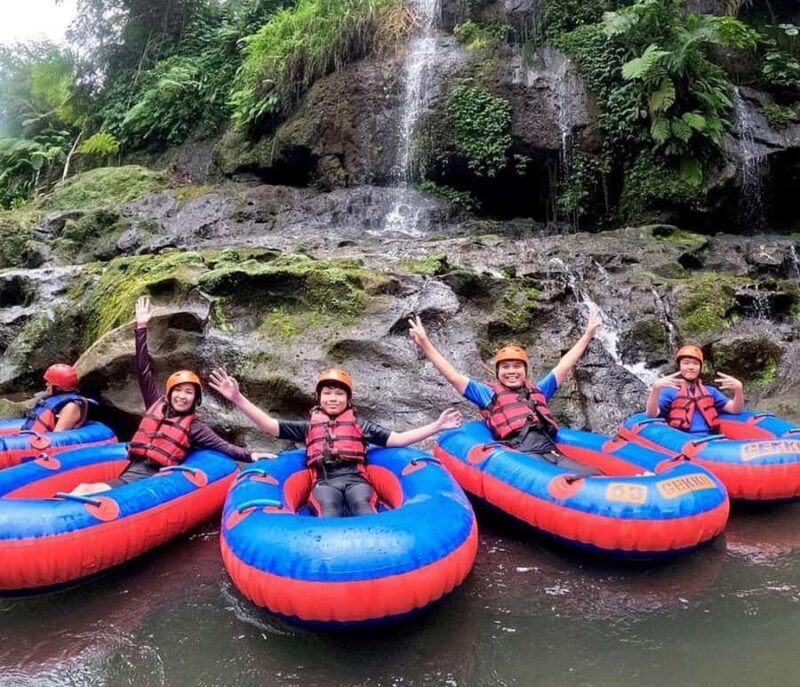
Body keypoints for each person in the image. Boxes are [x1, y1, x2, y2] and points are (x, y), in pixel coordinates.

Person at [71, 297, 271, 495]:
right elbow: (143, 370)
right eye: (178, 390)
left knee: (85, 489)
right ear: (170, 393)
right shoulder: (155, 404)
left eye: (189, 392)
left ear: (195, 399)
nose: (182, 396)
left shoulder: (195, 428)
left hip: (147, 477)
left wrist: (253, 455)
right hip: (133, 468)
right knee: (82, 488)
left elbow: (226, 447)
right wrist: (141, 327)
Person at [208, 367, 462, 517]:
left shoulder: (360, 426)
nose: (333, 398)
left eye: (339, 394)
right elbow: (269, 426)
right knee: (328, 507)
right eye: (327, 393)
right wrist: (238, 398)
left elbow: (398, 439)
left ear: (348, 400)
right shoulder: (308, 428)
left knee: (362, 504)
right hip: (324, 481)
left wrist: (437, 426)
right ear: (319, 398)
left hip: (357, 480)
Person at [408, 311, 602, 474]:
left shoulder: (539, 390)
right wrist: (425, 343)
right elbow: (453, 376)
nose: (511, 371)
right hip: (522, 455)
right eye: (505, 367)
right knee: (560, 482)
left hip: (552, 451)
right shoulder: (487, 394)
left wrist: (587, 334)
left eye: (517, 366)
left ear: (525, 371)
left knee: (596, 475)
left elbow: (565, 364)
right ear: (498, 372)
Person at [645, 344, 743, 435]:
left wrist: (738, 389)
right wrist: (655, 389)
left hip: (710, 439)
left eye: (695, 364)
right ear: (679, 366)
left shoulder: (710, 391)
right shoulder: (669, 391)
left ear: (700, 367)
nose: (691, 367)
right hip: (682, 440)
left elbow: (735, 409)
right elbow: (652, 414)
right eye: (686, 363)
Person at [21, 363, 89, 433]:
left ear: (58, 387)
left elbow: (57, 436)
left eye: (49, 383)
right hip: (31, 436)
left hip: (44, 440)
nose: (46, 384)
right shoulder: (55, 399)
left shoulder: (71, 407)